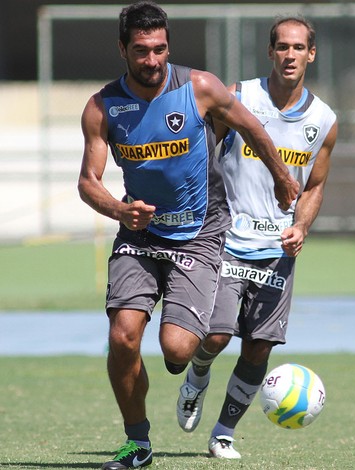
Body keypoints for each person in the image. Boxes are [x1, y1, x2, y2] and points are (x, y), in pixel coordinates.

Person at [77, 2, 299, 469]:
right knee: (123, 337)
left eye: (159, 49)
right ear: (123, 49)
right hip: (138, 234)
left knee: (176, 350)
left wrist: (281, 175)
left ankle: (193, 370)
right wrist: (120, 209)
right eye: (141, 51)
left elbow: (251, 126)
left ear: (168, 46)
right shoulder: (101, 108)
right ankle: (137, 443)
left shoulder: (199, 87)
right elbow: (87, 182)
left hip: (199, 234)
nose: (152, 60)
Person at [174, 15, 337, 459]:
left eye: (298, 47)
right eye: (282, 46)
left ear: (311, 54)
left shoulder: (323, 119)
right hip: (226, 239)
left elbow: (315, 184)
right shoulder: (240, 96)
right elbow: (204, 150)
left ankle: (223, 432)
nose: (290, 55)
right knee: (215, 337)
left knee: (259, 345)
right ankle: (198, 375)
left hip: (277, 250)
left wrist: (301, 226)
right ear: (270, 52)